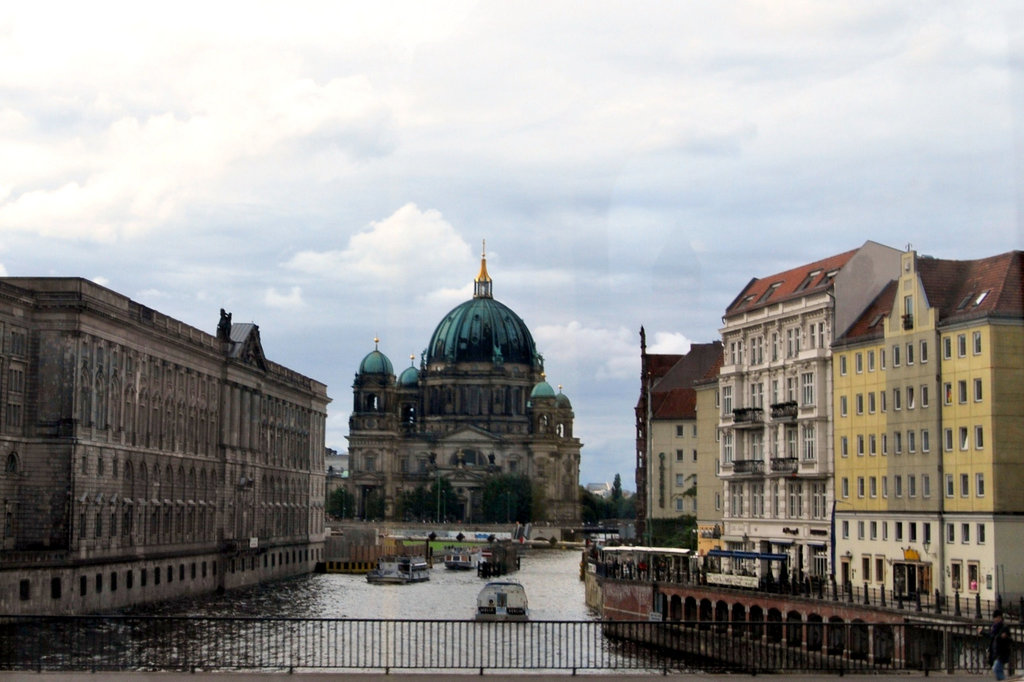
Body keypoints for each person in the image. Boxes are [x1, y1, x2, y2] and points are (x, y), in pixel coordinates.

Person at [981, 610, 1013, 680]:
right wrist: (982, 632)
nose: (994, 620)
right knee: (998, 671)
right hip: (996, 653)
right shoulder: (995, 628)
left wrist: (1003, 637)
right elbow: (991, 636)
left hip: (1002, 653)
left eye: (995, 618)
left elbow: (1008, 639)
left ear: (999, 618)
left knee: (996, 668)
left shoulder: (1004, 628)